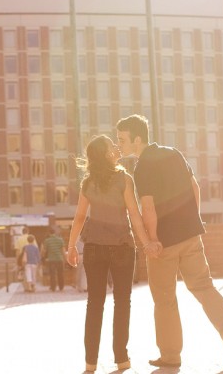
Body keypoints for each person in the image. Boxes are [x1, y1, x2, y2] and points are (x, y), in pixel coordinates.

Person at [116, 114, 223, 368]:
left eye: (122, 140)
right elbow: (195, 188)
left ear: (137, 139)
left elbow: (148, 207)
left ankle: (171, 355)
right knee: (204, 287)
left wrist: (152, 240)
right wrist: (193, 221)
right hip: (191, 234)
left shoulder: (142, 167)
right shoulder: (173, 153)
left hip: (164, 242)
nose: (119, 145)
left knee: (164, 299)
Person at [66, 134, 160, 372]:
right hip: (122, 249)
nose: (117, 148)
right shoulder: (124, 179)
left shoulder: (87, 183)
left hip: (94, 248)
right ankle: (121, 359)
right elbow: (134, 215)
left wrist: (71, 247)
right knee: (122, 303)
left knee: (94, 304)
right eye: (112, 146)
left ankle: (90, 363)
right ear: (106, 154)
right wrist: (147, 242)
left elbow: (79, 218)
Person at [42, 226, 65, 292]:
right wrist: (65, 259)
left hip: (51, 259)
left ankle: (53, 288)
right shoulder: (60, 239)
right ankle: (61, 287)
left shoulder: (47, 241)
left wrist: (43, 257)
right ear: (55, 233)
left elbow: (44, 251)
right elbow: (63, 250)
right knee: (60, 273)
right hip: (59, 259)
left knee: (52, 274)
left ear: (49, 233)